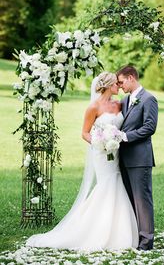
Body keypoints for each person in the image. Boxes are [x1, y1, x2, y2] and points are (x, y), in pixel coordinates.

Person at [26, 72, 138, 251]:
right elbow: (85, 132)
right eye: (116, 83)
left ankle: (118, 232)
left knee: (116, 183)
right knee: (106, 185)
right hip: (101, 153)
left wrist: (113, 141)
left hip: (115, 152)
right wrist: (100, 143)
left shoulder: (118, 104)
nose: (119, 86)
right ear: (109, 85)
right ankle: (94, 231)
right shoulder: (93, 107)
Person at [117, 65, 158, 251]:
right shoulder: (125, 100)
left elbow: (150, 127)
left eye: (121, 82)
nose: (119, 86)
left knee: (143, 200)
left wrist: (126, 136)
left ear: (131, 77)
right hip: (123, 159)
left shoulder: (149, 99)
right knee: (129, 200)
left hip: (140, 159)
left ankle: (146, 242)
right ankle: (134, 237)